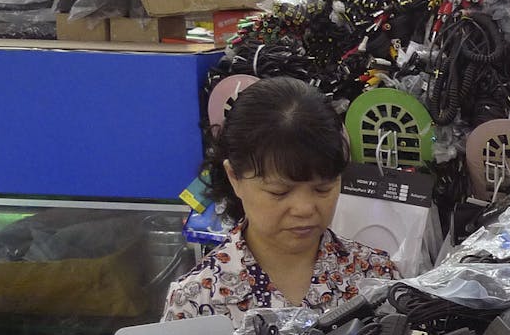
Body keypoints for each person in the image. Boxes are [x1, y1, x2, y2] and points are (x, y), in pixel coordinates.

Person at [163, 77, 399, 322]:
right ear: (234, 177)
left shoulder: (375, 277)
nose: (305, 209)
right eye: (279, 192)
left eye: (323, 189)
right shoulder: (195, 299)